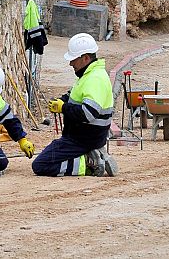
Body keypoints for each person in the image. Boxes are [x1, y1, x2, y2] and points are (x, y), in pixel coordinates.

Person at [32, 33, 118, 177]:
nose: (71, 63)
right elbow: (75, 95)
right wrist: (62, 101)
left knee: (41, 165)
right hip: (84, 137)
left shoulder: (95, 78)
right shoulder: (89, 74)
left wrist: (63, 108)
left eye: (73, 60)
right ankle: (92, 154)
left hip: (83, 139)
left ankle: (89, 162)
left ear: (85, 58)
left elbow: (88, 113)